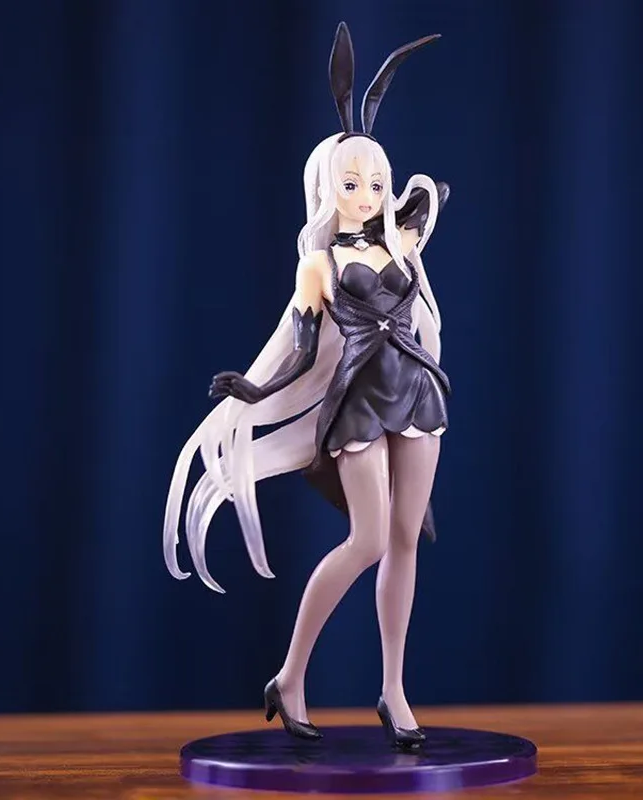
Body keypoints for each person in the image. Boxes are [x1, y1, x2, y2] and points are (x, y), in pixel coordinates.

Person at [163, 22, 450, 750]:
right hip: (357, 401)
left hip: (417, 394)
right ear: (327, 187)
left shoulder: (400, 241)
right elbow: (301, 348)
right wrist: (254, 394)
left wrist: (420, 202)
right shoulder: (317, 264)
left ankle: (393, 690)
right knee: (366, 539)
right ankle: (290, 674)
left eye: (376, 182)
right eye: (351, 184)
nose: (366, 195)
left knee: (405, 540)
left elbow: (431, 202)